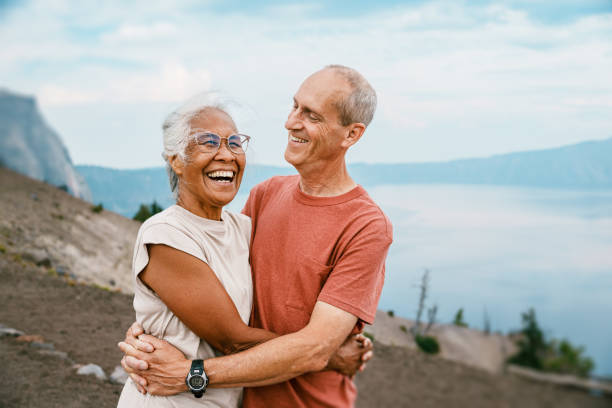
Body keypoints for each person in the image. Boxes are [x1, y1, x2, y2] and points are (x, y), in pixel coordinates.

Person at [120, 65, 393, 407]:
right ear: (175, 159)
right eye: (295, 106)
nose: (291, 122)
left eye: (311, 115)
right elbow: (223, 317)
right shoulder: (266, 196)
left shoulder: (365, 225)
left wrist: (191, 371)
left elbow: (313, 348)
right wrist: (148, 330)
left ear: (351, 135)